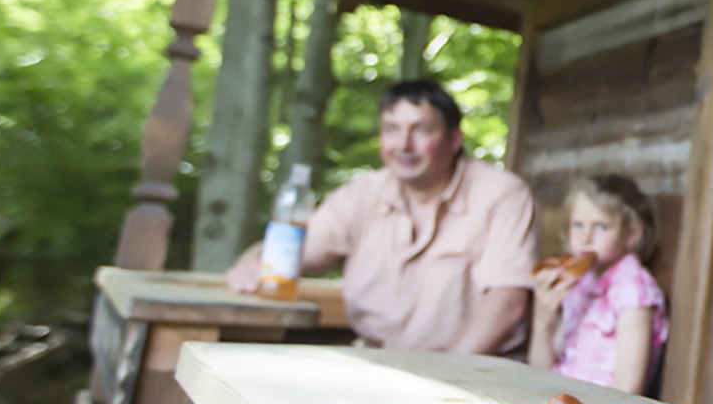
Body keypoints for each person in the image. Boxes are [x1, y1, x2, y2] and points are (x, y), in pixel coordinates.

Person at [224, 79, 537, 355]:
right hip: (377, 362)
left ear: (455, 139)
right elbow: (295, 249)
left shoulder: (502, 194)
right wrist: (252, 262)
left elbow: (508, 302)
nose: (404, 144)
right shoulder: (362, 193)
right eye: (392, 130)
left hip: (473, 374)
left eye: (421, 130)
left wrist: (443, 379)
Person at [528, 174, 669, 395]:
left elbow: (628, 390)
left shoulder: (633, 290)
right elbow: (539, 374)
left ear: (632, 233)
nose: (585, 238)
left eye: (601, 227)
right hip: (556, 401)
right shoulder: (578, 283)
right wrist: (542, 321)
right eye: (578, 225)